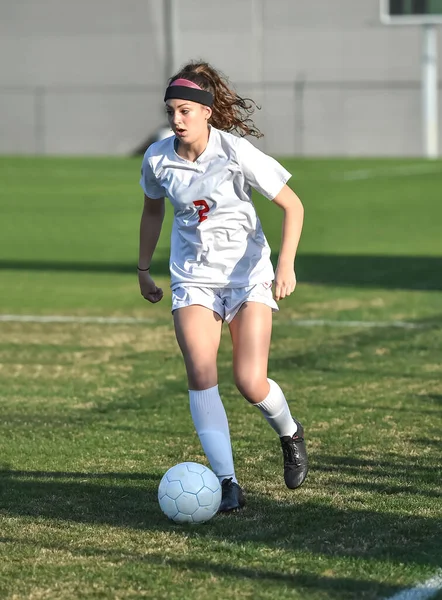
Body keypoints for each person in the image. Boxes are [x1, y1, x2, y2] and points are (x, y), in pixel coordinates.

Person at [138, 61, 307, 513]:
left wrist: (285, 265)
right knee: (201, 372)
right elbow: (153, 210)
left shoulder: (236, 153)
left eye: (186, 110)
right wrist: (142, 268)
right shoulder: (157, 158)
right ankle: (227, 481)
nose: (177, 119)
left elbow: (293, 206)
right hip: (194, 279)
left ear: (208, 111)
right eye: (172, 109)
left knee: (250, 381)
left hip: (248, 276)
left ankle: (290, 434)